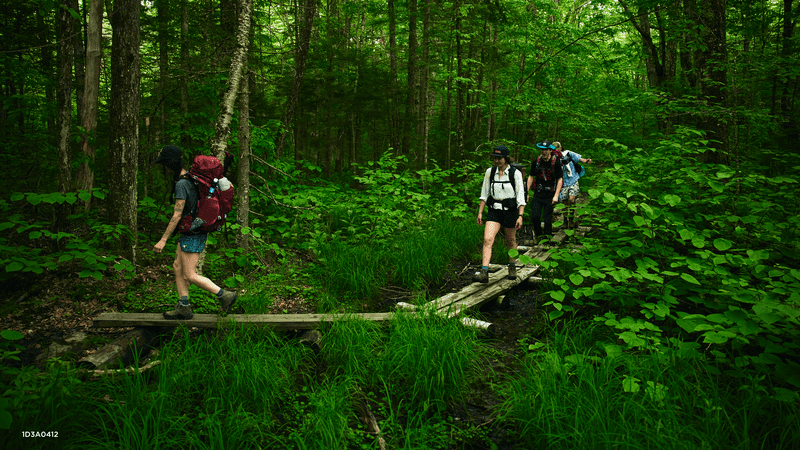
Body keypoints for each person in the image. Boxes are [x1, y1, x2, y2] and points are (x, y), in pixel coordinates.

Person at [153, 145, 238, 320]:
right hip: (193, 231)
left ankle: (224, 295)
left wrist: (163, 240)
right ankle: (184, 306)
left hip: (192, 233)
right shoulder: (192, 179)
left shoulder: (183, 183)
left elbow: (177, 215)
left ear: (168, 165)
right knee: (178, 266)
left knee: (190, 274)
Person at [474, 145, 527, 283]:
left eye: (499, 158)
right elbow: (484, 194)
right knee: (488, 239)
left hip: (510, 211)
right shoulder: (490, 172)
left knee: (511, 241)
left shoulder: (514, 173)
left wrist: (520, 216)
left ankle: (512, 265)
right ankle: (484, 271)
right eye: (494, 158)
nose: (496, 161)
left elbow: (520, 196)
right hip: (494, 211)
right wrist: (480, 212)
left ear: (506, 159)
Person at [527, 141, 563, 244]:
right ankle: (538, 237)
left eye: (546, 150)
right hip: (538, 193)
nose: (544, 152)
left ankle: (547, 240)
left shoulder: (555, 162)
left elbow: (559, 179)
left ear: (550, 150)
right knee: (535, 217)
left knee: (547, 219)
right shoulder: (537, 162)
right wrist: (526, 192)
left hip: (550, 194)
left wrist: (556, 196)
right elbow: (531, 176)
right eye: (542, 149)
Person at [553, 141, 592, 229]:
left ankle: (571, 218)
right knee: (564, 202)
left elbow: (579, 159)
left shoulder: (568, 154)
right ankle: (565, 220)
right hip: (563, 182)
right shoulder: (554, 159)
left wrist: (587, 161)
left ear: (561, 148)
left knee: (571, 199)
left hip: (573, 179)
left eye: (557, 148)